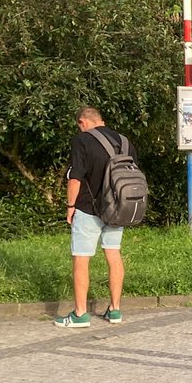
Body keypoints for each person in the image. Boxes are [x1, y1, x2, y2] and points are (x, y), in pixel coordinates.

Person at [56, 107, 137, 329]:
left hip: (88, 209)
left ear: (83, 122)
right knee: (113, 254)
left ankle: (80, 314)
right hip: (118, 210)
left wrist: (70, 206)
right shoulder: (124, 141)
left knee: (81, 258)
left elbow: (75, 177)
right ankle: (115, 309)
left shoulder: (82, 140)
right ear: (101, 120)